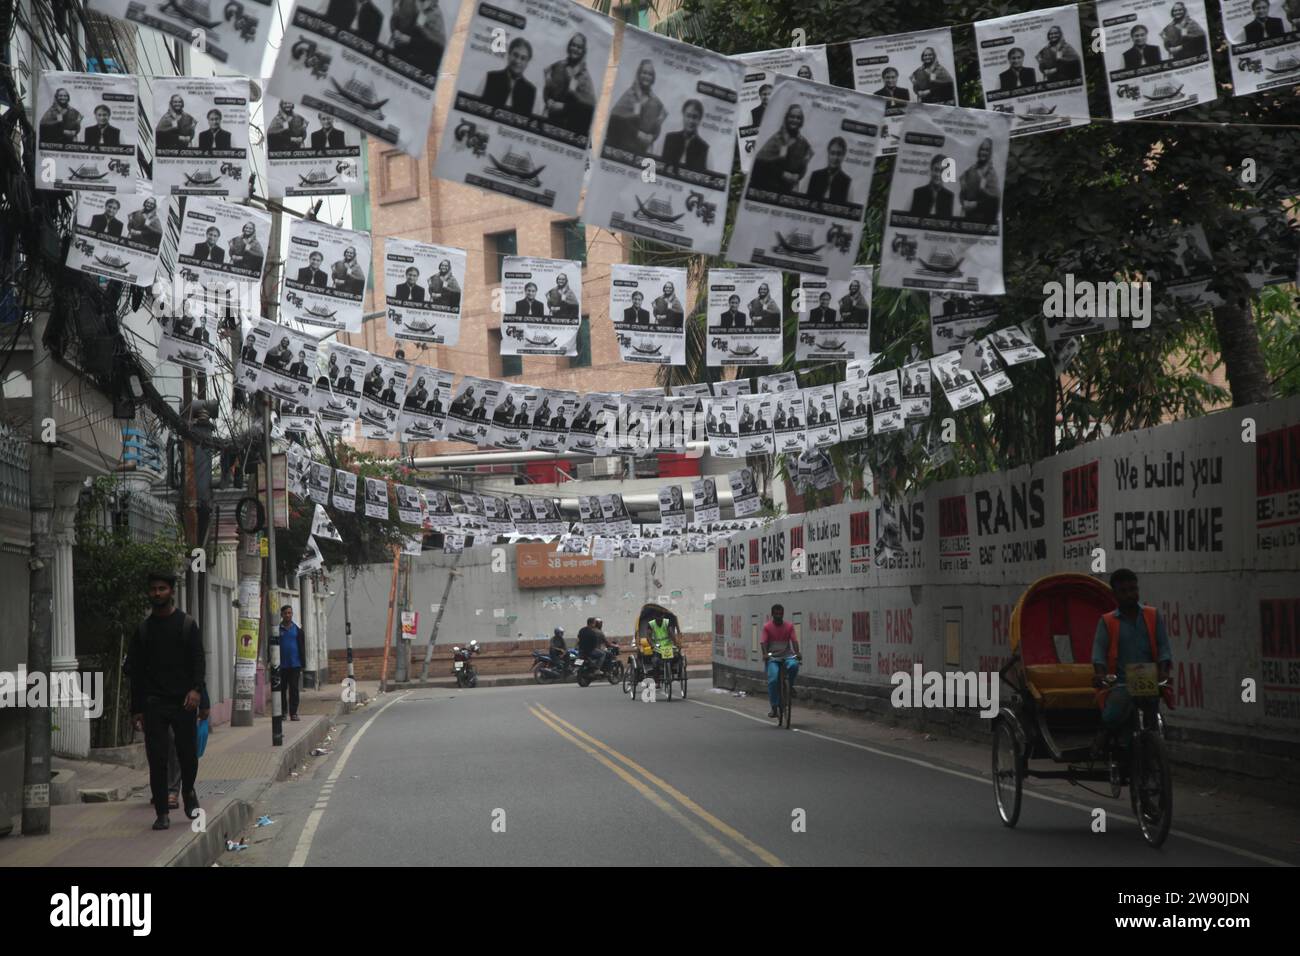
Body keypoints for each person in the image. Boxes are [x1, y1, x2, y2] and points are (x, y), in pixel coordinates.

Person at [130, 570, 204, 829]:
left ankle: (189, 792)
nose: (157, 593)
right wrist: (136, 709)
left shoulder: (186, 625)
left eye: (162, 588)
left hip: (184, 701)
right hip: (154, 703)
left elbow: (198, 662)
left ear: (171, 591)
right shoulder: (143, 630)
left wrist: (197, 693)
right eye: (153, 589)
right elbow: (135, 672)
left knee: (187, 755)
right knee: (157, 759)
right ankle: (162, 811)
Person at [1091, 568, 1172, 755]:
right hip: (1120, 681)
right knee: (1112, 716)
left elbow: (1164, 649)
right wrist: (1101, 675)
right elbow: (1098, 654)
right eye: (1124, 591)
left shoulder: (1152, 616)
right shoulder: (1107, 621)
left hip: (1148, 679)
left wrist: (1163, 670)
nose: (1130, 594)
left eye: (1133, 589)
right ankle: (1104, 734)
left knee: (1154, 725)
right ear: (1115, 594)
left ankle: (1152, 760)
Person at [606, 59, 669, 155]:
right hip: (620, 146)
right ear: (639, 74)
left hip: (640, 151)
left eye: (650, 74)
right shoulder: (630, 95)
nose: (646, 77)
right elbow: (615, 119)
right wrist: (638, 134)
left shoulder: (656, 102)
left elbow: (657, 127)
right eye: (644, 73)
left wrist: (652, 137)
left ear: (653, 78)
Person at [750, 104, 814, 194]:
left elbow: (803, 167)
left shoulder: (804, 144)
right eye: (792, 117)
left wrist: (798, 176)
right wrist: (782, 174)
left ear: (801, 121)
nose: (795, 120)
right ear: (787, 118)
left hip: (786, 190)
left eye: (798, 118)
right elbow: (759, 162)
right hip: (766, 187)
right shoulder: (777, 139)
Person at [542, 33, 596, 134]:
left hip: (569, 127)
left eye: (579, 47)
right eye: (573, 45)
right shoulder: (558, 65)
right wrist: (548, 100)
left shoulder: (584, 77)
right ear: (569, 46)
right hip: (550, 120)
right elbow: (547, 87)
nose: (575, 49)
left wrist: (565, 107)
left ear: (583, 51)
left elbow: (589, 107)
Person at [761, 603, 800, 719]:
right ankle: (774, 707)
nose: (778, 616)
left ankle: (790, 686)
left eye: (780, 613)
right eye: (776, 614)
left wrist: (797, 652)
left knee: (794, 666)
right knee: (773, 679)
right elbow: (763, 642)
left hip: (787, 656)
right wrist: (765, 654)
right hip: (773, 657)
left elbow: (794, 641)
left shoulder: (789, 626)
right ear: (772, 615)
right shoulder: (767, 627)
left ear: (783, 614)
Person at [482, 37, 536, 115]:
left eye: (523, 58)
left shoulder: (531, 91)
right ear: (509, 54)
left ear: (527, 62)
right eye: (515, 55)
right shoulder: (490, 78)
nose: (518, 61)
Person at [390, 0, 446, 73]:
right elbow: (394, 18)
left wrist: (409, 40)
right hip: (404, 55)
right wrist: (395, 31)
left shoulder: (435, 15)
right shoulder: (411, 5)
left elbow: (436, 47)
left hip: (424, 66)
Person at [959, 137, 1000, 224]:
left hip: (984, 220)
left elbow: (995, 203)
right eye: (981, 149)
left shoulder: (991, 174)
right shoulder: (970, 170)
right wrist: (963, 190)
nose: (983, 152)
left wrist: (982, 191)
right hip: (969, 218)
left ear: (990, 153)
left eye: (987, 150)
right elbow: (963, 196)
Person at [660, 99, 709, 172]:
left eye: (695, 117)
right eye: (688, 116)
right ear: (683, 116)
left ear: (700, 119)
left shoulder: (704, 149)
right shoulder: (669, 139)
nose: (691, 121)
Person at [278, 604, 306, 721]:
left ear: (292, 614)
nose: (288, 615)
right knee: (282, 690)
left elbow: (302, 648)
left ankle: (293, 713)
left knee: (294, 690)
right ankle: (283, 712)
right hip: (281, 665)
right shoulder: (277, 630)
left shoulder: (298, 631)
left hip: (295, 665)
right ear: (282, 615)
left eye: (289, 613)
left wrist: (303, 664)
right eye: (285, 613)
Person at [806, 137, 851, 203]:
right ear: (828, 153)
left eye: (839, 154)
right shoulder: (815, 176)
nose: (835, 158)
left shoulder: (847, 182)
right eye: (832, 153)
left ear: (843, 155)